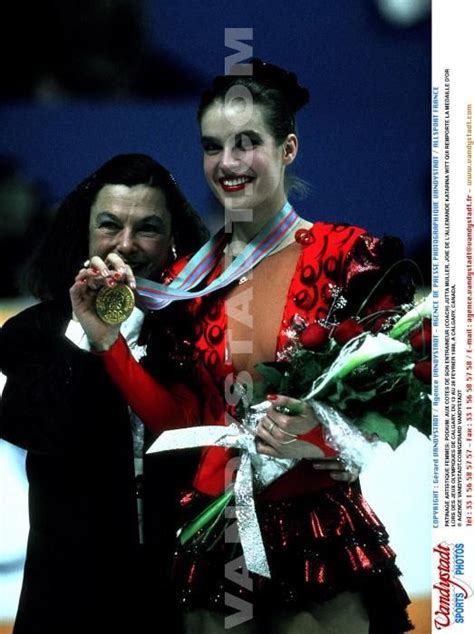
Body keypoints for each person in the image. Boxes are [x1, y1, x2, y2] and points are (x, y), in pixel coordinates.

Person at [70, 62, 416, 633]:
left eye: (246, 143)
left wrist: (333, 436)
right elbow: (181, 422)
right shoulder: (186, 283)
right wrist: (109, 344)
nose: (227, 163)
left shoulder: (346, 256)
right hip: (213, 530)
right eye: (212, 147)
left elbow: (392, 399)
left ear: (288, 149)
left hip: (317, 533)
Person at [0, 153, 209, 634]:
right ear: (86, 233)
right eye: (110, 225)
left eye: (148, 229)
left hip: (175, 591)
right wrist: (84, 333)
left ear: (173, 238)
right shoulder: (34, 333)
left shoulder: (199, 330)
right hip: (67, 596)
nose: (126, 245)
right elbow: (35, 429)